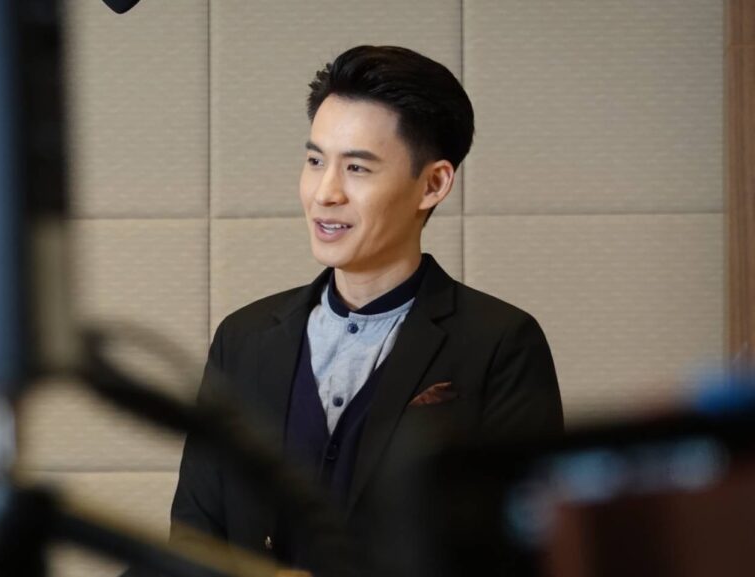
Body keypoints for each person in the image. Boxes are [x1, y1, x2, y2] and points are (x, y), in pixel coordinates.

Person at [167, 45, 563, 576]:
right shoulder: (243, 338)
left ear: (433, 183)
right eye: (315, 161)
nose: (325, 193)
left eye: (356, 167)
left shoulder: (502, 343)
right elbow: (193, 540)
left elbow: (523, 558)